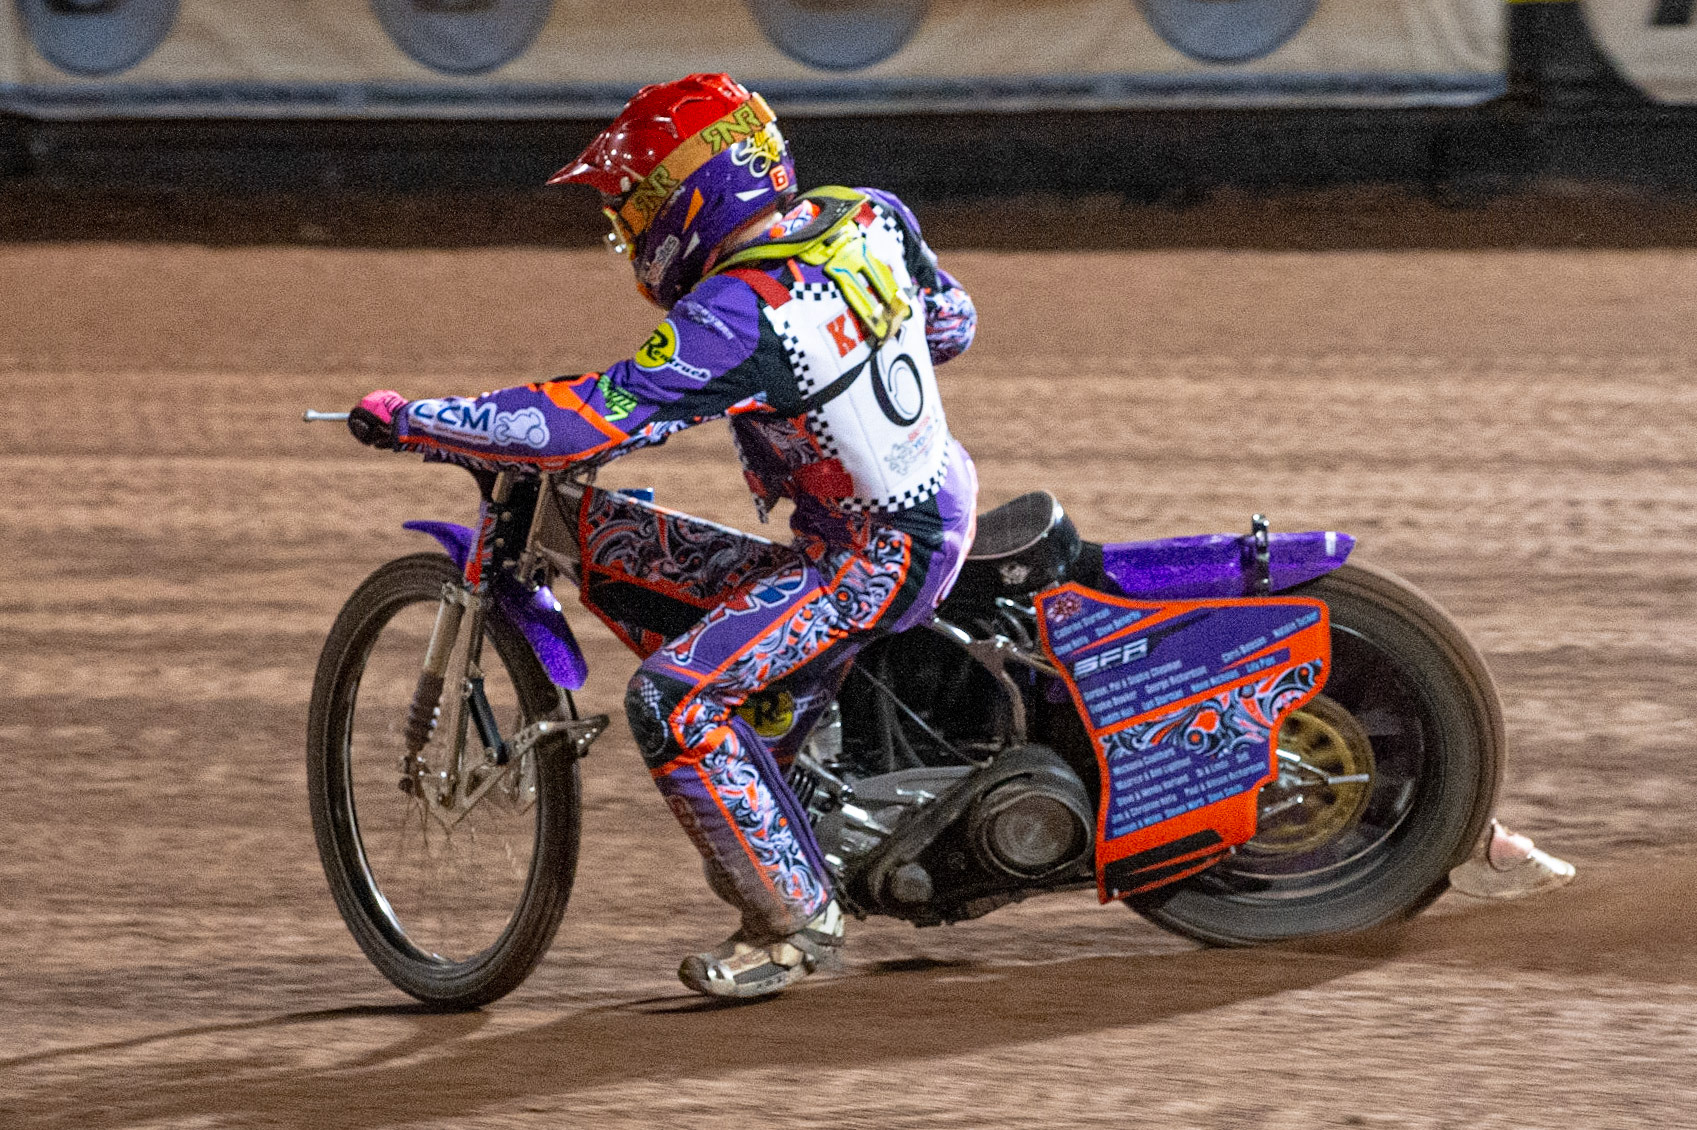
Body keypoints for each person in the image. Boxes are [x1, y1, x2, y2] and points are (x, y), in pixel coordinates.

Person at [348, 73, 981, 999]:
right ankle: (798, 749)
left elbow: (583, 424)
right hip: (926, 501)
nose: (625, 231)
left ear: (689, 194)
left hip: (870, 557)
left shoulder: (740, 312)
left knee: (672, 701)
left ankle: (794, 921)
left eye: (628, 206)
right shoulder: (865, 214)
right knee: (629, 546)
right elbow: (952, 324)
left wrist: (415, 419)